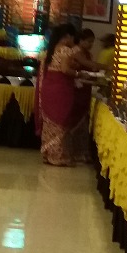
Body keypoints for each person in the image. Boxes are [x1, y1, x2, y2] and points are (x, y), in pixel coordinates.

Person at [37, 23, 98, 166]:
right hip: (61, 90)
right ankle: (59, 157)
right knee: (61, 122)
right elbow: (65, 69)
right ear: (67, 37)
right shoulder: (65, 50)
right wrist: (78, 73)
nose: (73, 41)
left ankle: (48, 154)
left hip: (49, 89)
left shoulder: (50, 50)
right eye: (72, 37)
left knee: (50, 122)